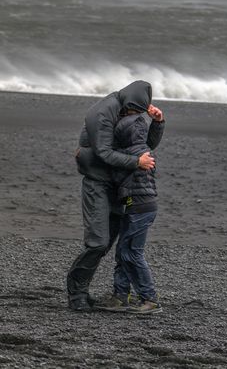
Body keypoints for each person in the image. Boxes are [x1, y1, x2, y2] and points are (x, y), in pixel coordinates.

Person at [66, 80, 162, 311]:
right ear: (130, 104)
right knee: (98, 243)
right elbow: (104, 152)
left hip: (119, 186)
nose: (135, 117)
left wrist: (158, 123)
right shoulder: (102, 112)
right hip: (97, 183)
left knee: (109, 243)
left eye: (140, 114)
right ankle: (77, 292)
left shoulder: (127, 109)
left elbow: (141, 144)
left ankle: (118, 295)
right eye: (135, 113)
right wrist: (136, 162)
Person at [95, 105, 165, 314]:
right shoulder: (141, 149)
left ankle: (150, 299)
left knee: (131, 253)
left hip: (140, 207)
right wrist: (158, 123)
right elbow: (149, 142)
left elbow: (116, 175)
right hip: (136, 205)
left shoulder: (134, 155)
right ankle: (120, 295)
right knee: (124, 251)